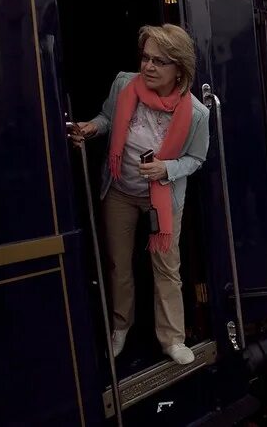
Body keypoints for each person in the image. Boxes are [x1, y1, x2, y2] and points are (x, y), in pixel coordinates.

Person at [70, 24, 210, 365]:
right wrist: (91, 128)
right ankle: (121, 327)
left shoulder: (197, 113)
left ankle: (172, 338)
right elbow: (107, 117)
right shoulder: (124, 84)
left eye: (159, 61)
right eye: (145, 58)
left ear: (179, 68)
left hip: (162, 199)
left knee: (166, 268)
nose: (148, 67)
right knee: (119, 263)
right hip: (120, 190)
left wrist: (167, 169)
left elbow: (196, 158)